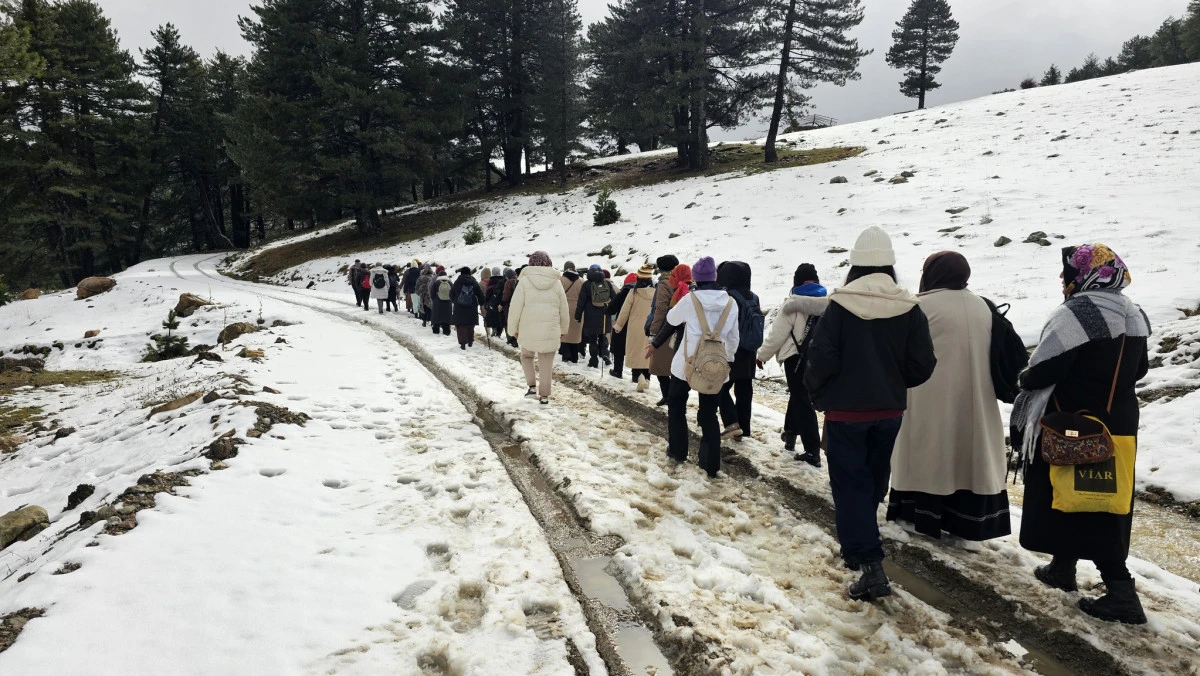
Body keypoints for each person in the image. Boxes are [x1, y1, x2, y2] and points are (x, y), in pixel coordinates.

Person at [1012, 243, 1151, 624]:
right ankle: (1063, 568)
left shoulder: (1079, 313)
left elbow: (1045, 370)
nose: (1063, 277)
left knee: (1084, 500)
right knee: (1092, 496)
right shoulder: (1133, 312)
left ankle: (1122, 593)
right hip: (1117, 424)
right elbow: (1139, 370)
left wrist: (1024, 379)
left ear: (1086, 273)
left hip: (1073, 423)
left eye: (1068, 271)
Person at [804, 226, 937, 602]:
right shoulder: (909, 307)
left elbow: (821, 359)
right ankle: (859, 542)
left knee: (851, 486)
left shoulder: (840, 306)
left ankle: (869, 563)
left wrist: (820, 395)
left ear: (855, 265)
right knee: (874, 480)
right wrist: (892, 382)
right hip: (889, 411)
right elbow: (923, 363)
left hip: (846, 413)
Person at [886, 252, 1010, 542]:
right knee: (969, 457)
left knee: (930, 454)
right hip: (977, 397)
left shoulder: (919, 305)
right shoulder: (982, 306)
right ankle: (967, 524)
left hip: (928, 395)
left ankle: (919, 516)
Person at [647, 256, 739, 478]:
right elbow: (733, 337)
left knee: (677, 405)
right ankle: (710, 464)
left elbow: (672, 318)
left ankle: (678, 451)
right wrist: (727, 360)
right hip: (714, 364)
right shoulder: (731, 303)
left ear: (697, 278)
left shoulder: (690, 299)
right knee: (709, 412)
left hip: (685, 364)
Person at [757, 263, 828, 466]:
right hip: (820, 359)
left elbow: (777, 335)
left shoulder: (792, 304)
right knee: (799, 396)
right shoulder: (828, 304)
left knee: (802, 400)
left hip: (795, 358)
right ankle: (790, 433)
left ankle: (812, 451)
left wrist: (762, 355)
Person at [508, 252, 570, 405]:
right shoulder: (556, 283)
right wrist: (563, 329)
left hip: (527, 328)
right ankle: (544, 395)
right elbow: (564, 309)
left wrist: (513, 328)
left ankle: (531, 387)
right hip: (550, 328)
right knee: (546, 362)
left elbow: (515, 307)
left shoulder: (524, 281)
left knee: (526, 356)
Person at [716, 261, 761, 441]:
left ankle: (732, 423)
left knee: (719, 386)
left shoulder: (728, 297)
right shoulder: (754, 297)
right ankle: (744, 428)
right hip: (750, 350)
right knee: (744, 390)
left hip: (732, 349)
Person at [614, 266, 655, 389]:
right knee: (647, 352)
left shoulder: (633, 292)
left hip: (635, 326)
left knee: (636, 352)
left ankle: (638, 377)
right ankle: (647, 378)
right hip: (651, 325)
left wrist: (619, 326)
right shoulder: (655, 292)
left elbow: (625, 311)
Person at [647, 255, 681, 405]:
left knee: (660, 366)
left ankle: (668, 396)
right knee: (674, 365)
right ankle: (672, 397)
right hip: (679, 327)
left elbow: (660, 309)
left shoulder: (664, 284)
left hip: (665, 329)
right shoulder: (682, 281)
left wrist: (654, 331)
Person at [576, 264, 614, 368]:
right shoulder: (607, 283)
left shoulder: (586, 284)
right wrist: (610, 311)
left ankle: (593, 360)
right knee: (603, 336)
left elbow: (581, 302)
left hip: (590, 316)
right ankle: (605, 353)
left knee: (593, 339)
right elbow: (614, 298)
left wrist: (578, 315)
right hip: (604, 314)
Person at [608, 272, 639, 379]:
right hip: (635, 324)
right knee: (635, 349)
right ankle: (635, 375)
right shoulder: (640, 293)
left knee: (618, 349)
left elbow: (611, 309)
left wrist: (606, 309)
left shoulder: (622, 293)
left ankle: (617, 371)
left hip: (621, 324)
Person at [450, 267, 486, 349]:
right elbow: (480, 295)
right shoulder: (474, 282)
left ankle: (462, 343)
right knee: (470, 324)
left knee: (461, 325)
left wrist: (455, 301)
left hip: (459, 307)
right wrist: (481, 302)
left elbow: (451, 294)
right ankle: (470, 341)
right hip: (471, 307)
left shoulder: (457, 282)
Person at [559, 262, 585, 362]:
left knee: (564, 331)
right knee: (575, 333)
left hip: (563, 307)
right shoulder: (581, 281)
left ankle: (566, 355)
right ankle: (574, 356)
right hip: (578, 308)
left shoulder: (560, 280)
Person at [428, 266, 453, 336]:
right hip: (448, 303)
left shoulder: (436, 282)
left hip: (437, 303)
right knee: (447, 317)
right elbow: (453, 292)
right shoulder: (450, 282)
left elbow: (432, 293)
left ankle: (436, 330)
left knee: (437, 316)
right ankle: (446, 331)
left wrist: (434, 300)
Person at [484, 267, 506, 338]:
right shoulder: (503, 281)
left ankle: (494, 330)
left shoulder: (491, 282)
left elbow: (488, 294)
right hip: (502, 303)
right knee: (501, 318)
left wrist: (486, 303)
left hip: (492, 304)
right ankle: (499, 333)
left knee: (493, 318)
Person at [502, 267, 520, 347]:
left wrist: (501, 304)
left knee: (510, 323)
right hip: (519, 305)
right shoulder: (520, 281)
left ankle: (512, 340)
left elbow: (505, 296)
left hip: (509, 306)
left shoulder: (508, 282)